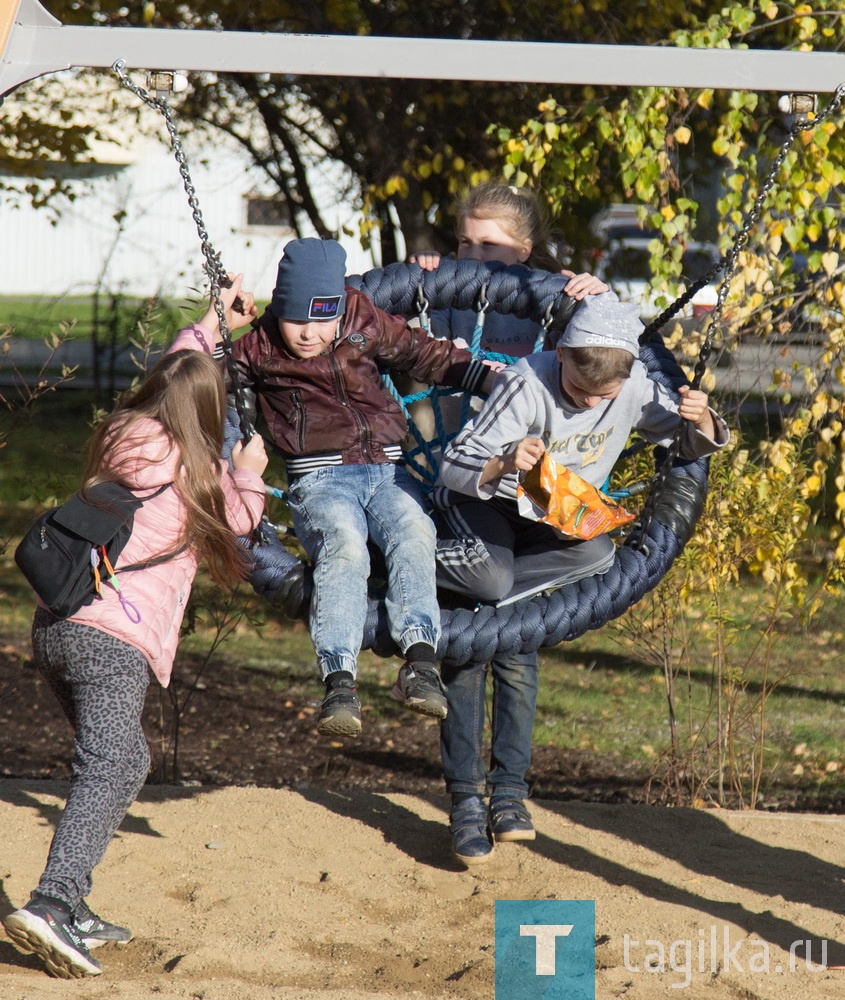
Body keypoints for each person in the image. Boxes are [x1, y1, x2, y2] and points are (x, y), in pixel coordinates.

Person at [2, 280, 268, 978]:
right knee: (114, 762)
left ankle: (76, 903)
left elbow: (182, 370)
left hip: (56, 627)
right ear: (205, 415)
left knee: (124, 759)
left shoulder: (127, 433)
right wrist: (251, 474)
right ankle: (54, 904)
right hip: (111, 645)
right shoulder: (197, 473)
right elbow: (239, 528)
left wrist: (211, 322)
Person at [434, 291, 730, 865]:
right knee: (493, 602)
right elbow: (454, 465)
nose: (589, 401)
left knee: (589, 562)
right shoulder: (528, 381)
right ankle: (468, 800)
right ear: (559, 355)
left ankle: (510, 794)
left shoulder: (638, 384)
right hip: (487, 506)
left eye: (602, 395)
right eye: (577, 389)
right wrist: (503, 462)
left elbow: (683, 444)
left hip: (554, 519)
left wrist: (703, 420)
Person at [212, 238, 498, 740]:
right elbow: (203, 377)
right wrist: (217, 325)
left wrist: (481, 377)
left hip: (389, 470)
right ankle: (340, 680)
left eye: (321, 320)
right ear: (279, 308)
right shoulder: (258, 346)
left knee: (414, 530)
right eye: (296, 319)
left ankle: (419, 662)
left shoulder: (362, 319)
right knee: (343, 546)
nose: (308, 333)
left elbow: (419, 353)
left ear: (339, 308)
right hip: (319, 480)